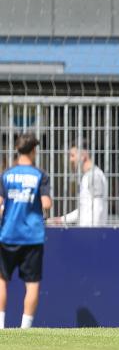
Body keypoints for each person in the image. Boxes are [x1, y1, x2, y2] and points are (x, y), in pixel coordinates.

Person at [0, 133, 52, 329]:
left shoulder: (6, 175)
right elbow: (47, 203)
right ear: (33, 151)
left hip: (8, 234)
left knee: (2, 280)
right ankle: (25, 328)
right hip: (32, 236)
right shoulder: (40, 175)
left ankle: (1, 325)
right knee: (32, 283)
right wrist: (30, 197)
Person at [53, 143, 108, 227]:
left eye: (73, 155)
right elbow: (84, 208)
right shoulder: (88, 175)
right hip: (86, 232)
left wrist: (95, 232)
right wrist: (62, 220)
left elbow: (98, 205)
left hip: (91, 234)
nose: (71, 160)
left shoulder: (94, 175)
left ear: (84, 155)